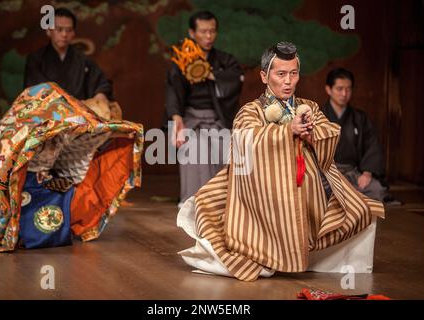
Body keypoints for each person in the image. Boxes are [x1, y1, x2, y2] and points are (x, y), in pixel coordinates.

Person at [177, 42, 385, 281]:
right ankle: (269, 252)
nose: (288, 81)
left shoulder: (308, 107)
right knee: (209, 202)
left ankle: (297, 253)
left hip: (304, 189)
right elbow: (245, 139)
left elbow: (329, 131)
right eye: (281, 74)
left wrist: (312, 133)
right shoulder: (251, 110)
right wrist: (287, 132)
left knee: (361, 210)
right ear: (265, 76)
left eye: (293, 73)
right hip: (262, 192)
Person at [0, 82, 143, 252]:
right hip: (18, 180)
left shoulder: (66, 131)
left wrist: (116, 130)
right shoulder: (27, 125)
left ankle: (48, 233)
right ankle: (22, 234)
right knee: (28, 202)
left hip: (42, 177)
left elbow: (83, 146)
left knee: (66, 195)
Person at [165, 10, 243, 207]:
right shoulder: (181, 61)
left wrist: (211, 74)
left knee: (221, 160)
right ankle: (192, 205)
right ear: (192, 33)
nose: (208, 36)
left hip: (219, 119)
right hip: (191, 119)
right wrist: (176, 118)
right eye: (203, 31)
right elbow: (173, 90)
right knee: (194, 157)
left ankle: (218, 206)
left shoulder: (225, 61)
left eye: (212, 31)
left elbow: (236, 80)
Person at [322, 68, 394, 203]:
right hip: (327, 174)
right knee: (317, 191)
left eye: (348, 89)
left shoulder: (360, 118)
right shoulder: (319, 116)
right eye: (339, 89)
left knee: (376, 190)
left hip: (353, 173)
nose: (344, 93)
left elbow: (372, 146)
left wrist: (367, 173)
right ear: (328, 89)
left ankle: (348, 198)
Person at [24, 8, 113, 104]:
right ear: (49, 31)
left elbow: (102, 84)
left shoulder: (83, 60)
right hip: (48, 113)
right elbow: (33, 90)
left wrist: (100, 95)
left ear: (73, 33)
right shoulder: (36, 59)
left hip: (80, 113)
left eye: (68, 30)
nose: (64, 34)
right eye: (59, 29)